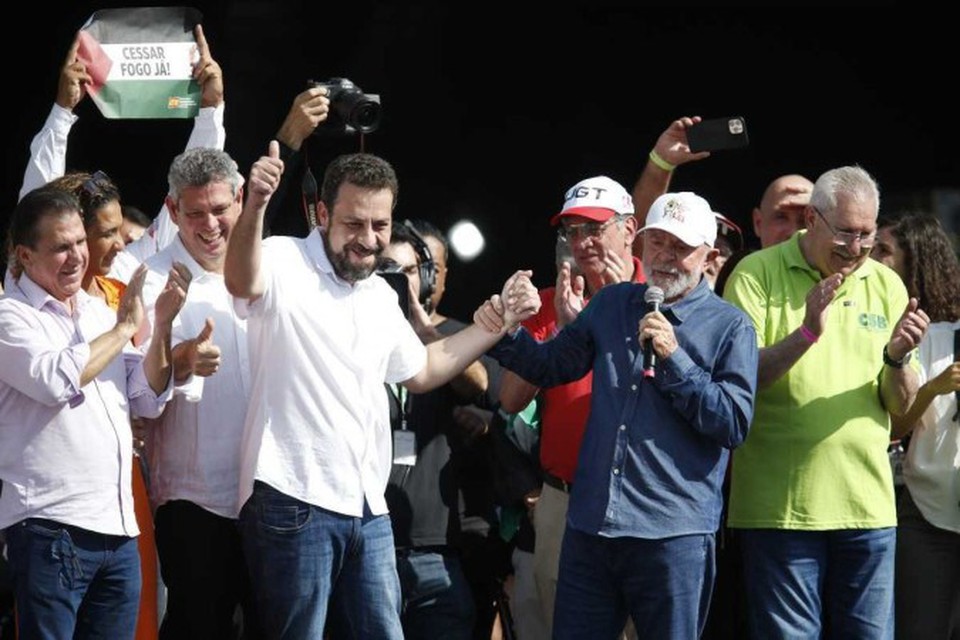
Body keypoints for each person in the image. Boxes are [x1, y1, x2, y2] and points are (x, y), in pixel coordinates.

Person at [223, 142, 541, 639]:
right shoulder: (283, 259)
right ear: (323, 214)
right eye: (354, 224)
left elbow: (423, 368)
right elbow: (241, 281)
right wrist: (256, 207)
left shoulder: (376, 294)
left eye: (381, 225)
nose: (369, 240)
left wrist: (497, 321)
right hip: (291, 498)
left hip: (368, 509)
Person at [476, 191, 759, 638]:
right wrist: (504, 329)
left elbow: (733, 423)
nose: (666, 257)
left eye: (681, 247)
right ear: (641, 243)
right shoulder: (611, 305)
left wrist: (674, 358)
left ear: (709, 255)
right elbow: (553, 366)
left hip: (673, 536)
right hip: (593, 529)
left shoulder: (731, 327)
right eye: (657, 243)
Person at [722, 165, 930, 639]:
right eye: (844, 233)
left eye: (866, 235)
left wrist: (897, 358)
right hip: (780, 510)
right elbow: (741, 378)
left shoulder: (886, 283)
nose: (855, 248)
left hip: (868, 508)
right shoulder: (755, 274)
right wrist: (807, 333)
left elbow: (899, 406)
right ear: (812, 219)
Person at [0, 185, 188, 640]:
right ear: (24, 255)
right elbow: (53, 379)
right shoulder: (11, 316)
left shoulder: (99, 313)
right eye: (61, 247)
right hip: (50, 526)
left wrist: (159, 327)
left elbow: (146, 396)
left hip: (118, 528)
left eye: (80, 242)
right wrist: (126, 327)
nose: (77, 257)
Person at [497, 174, 644, 638]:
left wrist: (621, 318)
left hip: (641, 499)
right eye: (572, 231)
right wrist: (560, 331)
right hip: (565, 497)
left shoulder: (661, 293)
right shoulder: (551, 300)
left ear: (630, 229)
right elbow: (510, 398)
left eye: (594, 228)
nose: (582, 243)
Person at [138, 147, 261, 640]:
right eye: (194, 214)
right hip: (193, 500)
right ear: (172, 212)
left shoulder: (270, 271)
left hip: (271, 495)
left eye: (219, 209)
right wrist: (183, 359)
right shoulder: (147, 280)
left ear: (240, 199)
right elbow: (138, 386)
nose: (209, 224)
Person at [19, 24, 226, 284]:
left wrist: (210, 110)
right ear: (74, 234)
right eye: (106, 234)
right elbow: (36, 209)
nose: (120, 245)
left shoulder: (127, 269)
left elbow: (193, 187)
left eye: (118, 232)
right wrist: (61, 112)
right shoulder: (37, 285)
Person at [380, 221, 487, 640]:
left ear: (427, 278)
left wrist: (427, 332)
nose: (396, 281)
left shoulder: (452, 336)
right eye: (387, 269)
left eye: (407, 272)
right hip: (368, 543)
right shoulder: (351, 333)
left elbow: (479, 386)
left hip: (433, 546)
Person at [870, 211, 960, 639]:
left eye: (883, 251)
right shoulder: (907, 338)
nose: (870, 259)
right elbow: (895, 427)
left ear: (916, 260)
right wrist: (934, 388)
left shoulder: (949, 329)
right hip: (925, 513)